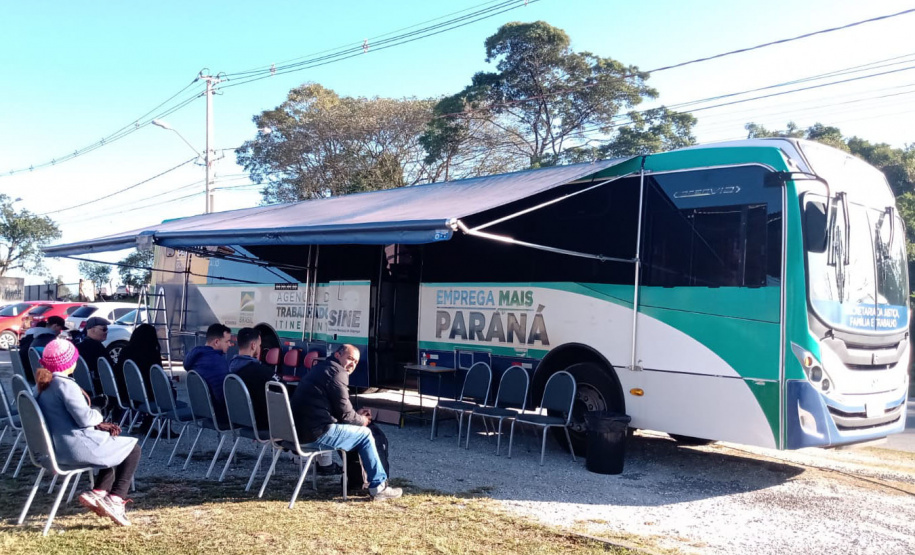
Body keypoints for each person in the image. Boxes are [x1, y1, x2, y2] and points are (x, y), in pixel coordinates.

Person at [35, 339, 140, 526]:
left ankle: (98, 492)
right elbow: (85, 419)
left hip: (55, 449)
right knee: (133, 449)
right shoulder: (65, 385)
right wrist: (98, 412)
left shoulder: (42, 386)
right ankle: (116, 499)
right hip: (75, 449)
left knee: (112, 445)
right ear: (70, 363)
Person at [291, 344, 402, 500]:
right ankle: (379, 487)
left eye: (356, 362)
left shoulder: (321, 368)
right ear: (337, 355)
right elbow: (346, 416)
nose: (352, 364)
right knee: (365, 434)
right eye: (350, 359)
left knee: (355, 430)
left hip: (296, 434)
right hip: (315, 435)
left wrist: (355, 415)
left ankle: (359, 481)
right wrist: (362, 419)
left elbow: (340, 409)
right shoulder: (337, 373)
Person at [228, 327, 275, 430]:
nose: (260, 348)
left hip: (240, 420)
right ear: (253, 345)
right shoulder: (261, 371)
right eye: (259, 345)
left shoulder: (230, 369)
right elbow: (281, 386)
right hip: (263, 423)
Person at [184, 323, 233, 419]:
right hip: (218, 414)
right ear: (216, 342)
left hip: (200, 409)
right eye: (227, 341)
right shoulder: (217, 361)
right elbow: (223, 396)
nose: (230, 344)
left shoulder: (195, 358)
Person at [115, 324, 162, 401]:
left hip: (126, 393)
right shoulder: (152, 353)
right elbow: (158, 375)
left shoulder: (125, 351)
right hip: (148, 394)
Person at [76, 316, 114, 393]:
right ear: (93, 330)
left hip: (83, 387)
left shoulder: (78, 346)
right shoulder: (97, 347)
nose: (106, 332)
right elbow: (108, 368)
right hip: (100, 387)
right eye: (104, 329)